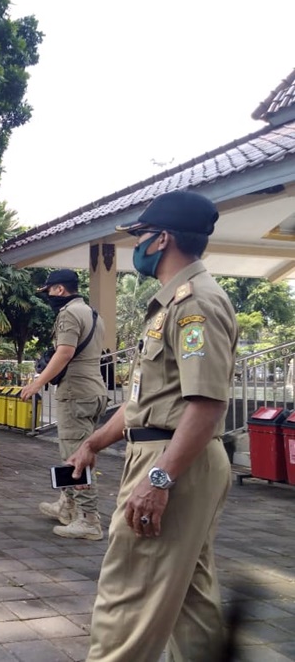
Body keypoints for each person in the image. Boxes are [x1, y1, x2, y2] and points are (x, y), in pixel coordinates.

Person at [66, 191, 238, 661]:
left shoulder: (195, 303)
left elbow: (206, 404)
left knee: (128, 598)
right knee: (190, 597)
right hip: (169, 453)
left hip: (172, 461)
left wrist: (159, 479)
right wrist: (94, 442)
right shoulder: (170, 304)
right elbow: (147, 400)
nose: (135, 246)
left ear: (162, 239)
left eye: (140, 236)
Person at [20, 268, 108, 540]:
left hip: (75, 392)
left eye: (49, 291)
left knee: (76, 456)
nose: (48, 296)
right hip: (94, 391)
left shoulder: (68, 314)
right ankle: (67, 504)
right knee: (72, 451)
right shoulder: (92, 313)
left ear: (59, 289)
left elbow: (65, 352)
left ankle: (88, 518)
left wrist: (37, 383)